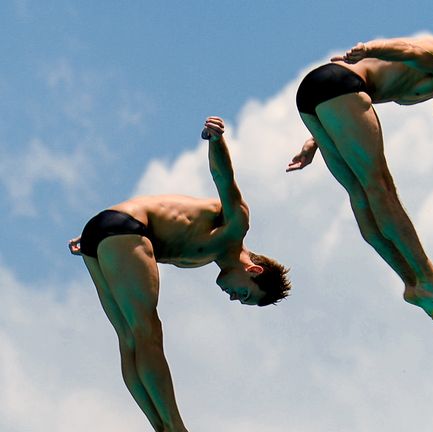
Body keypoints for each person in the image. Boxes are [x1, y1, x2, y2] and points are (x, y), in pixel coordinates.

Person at [68, 116, 291, 432]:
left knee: (129, 337)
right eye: (245, 294)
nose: (233, 297)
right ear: (253, 271)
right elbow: (223, 178)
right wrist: (216, 140)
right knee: (147, 331)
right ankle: (176, 426)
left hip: (101, 236)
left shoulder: (200, 259)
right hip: (125, 226)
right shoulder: (235, 226)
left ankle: (161, 426)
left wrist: (103, 242)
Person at [287, 35, 433, 326]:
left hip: (319, 97)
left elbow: (353, 110)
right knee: (380, 188)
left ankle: (412, 282)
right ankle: (428, 276)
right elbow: (410, 49)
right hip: (339, 84)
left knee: (360, 192)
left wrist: (316, 140)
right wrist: (370, 48)